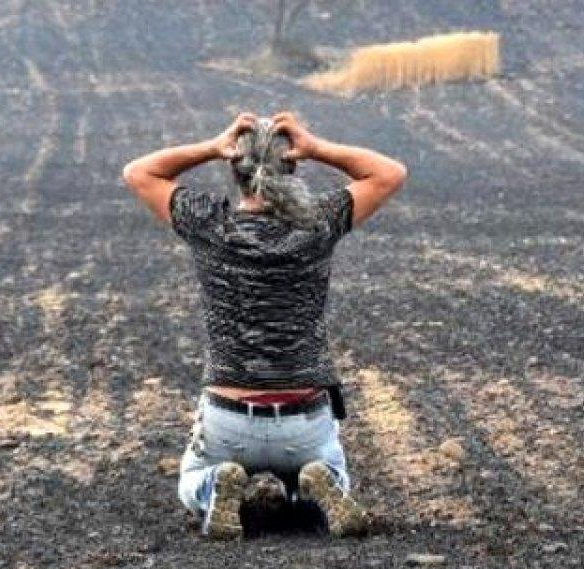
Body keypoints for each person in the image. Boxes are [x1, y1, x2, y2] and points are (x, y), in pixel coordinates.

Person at [122, 112, 407, 539]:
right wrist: (317, 147)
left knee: (190, 483)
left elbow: (138, 172)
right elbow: (389, 173)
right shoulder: (317, 223)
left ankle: (214, 484)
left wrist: (212, 146)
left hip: (228, 417)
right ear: (292, 167)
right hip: (303, 419)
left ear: (235, 169)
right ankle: (314, 485)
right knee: (333, 475)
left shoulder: (210, 224)